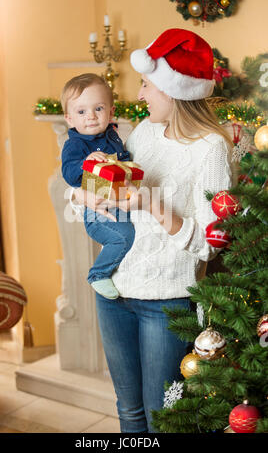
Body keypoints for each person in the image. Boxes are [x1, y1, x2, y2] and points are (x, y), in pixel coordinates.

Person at [71, 28, 236, 433]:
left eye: (146, 84)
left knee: (163, 420)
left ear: (171, 89)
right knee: (128, 412)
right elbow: (113, 192)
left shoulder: (211, 149)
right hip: (115, 291)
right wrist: (83, 197)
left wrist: (152, 204)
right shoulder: (143, 132)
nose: (140, 95)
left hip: (165, 302)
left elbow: (211, 244)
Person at [61, 73, 136, 299]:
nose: (91, 117)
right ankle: (99, 274)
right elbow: (68, 173)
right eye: (81, 112)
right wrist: (87, 164)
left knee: (130, 233)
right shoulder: (75, 145)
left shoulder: (112, 136)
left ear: (111, 112)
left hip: (118, 202)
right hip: (97, 213)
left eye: (99, 109)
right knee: (124, 237)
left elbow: (123, 159)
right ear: (69, 119)